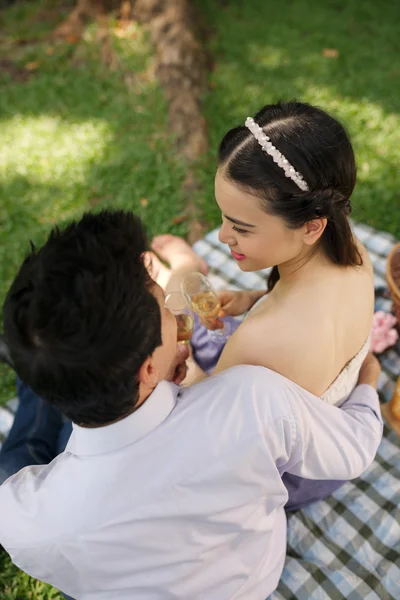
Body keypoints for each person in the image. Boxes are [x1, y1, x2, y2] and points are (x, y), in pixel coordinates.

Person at [0, 210, 382, 600]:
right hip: (252, 580)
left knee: (17, 459)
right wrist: (367, 382)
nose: (175, 312)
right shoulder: (254, 398)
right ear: (148, 369)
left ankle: (41, 376)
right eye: (166, 306)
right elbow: (354, 447)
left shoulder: (23, 516)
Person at [149, 100, 375, 509]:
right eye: (223, 217)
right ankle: (181, 273)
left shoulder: (263, 341)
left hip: (285, 473)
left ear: (311, 226)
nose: (222, 236)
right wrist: (255, 298)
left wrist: (182, 368)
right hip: (322, 430)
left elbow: (210, 427)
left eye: (241, 227)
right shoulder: (351, 250)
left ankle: (181, 271)